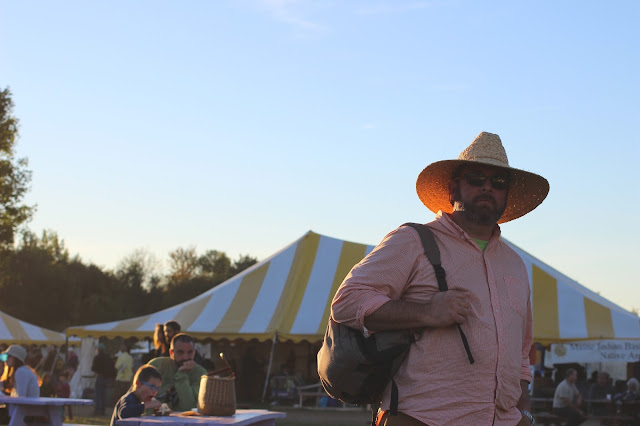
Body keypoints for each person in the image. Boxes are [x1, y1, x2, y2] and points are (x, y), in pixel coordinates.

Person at [331, 132, 549, 426]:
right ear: (452, 189)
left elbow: (521, 353)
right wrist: (426, 312)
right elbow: (347, 302)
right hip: (422, 417)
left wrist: (524, 413)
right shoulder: (413, 241)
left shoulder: (515, 264)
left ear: (506, 195)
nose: (487, 186)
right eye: (475, 178)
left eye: (498, 182)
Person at [148, 333, 207, 411]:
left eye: (190, 352)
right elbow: (137, 395)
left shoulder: (200, 373)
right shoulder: (156, 365)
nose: (185, 357)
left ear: (194, 352)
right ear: (171, 353)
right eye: (180, 352)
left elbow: (189, 407)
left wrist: (182, 374)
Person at [0, 345, 41, 419]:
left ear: (14, 358)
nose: (4, 360)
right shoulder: (21, 371)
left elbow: (21, 398)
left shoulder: (21, 372)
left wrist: (5, 398)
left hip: (25, 414)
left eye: (6, 356)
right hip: (23, 411)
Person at [91, 343, 116, 415]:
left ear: (98, 349)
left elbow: (94, 368)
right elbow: (112, 367)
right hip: (106, 378)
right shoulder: (108, 357)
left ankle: (98, 409)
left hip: (100, 376)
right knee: (104, 394)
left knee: (98, 394)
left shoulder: (97, 357)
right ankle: (103, 409)